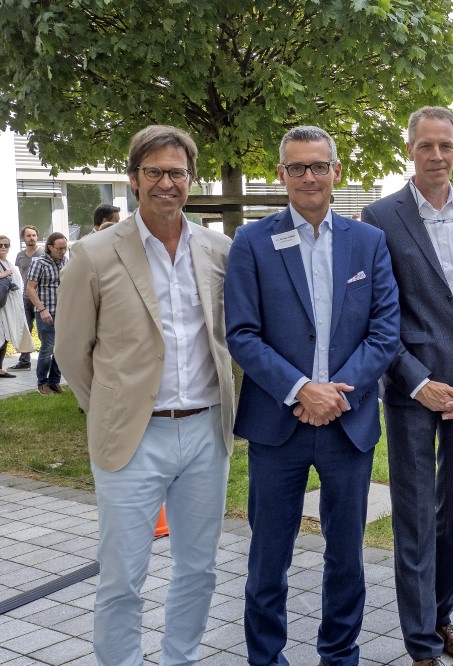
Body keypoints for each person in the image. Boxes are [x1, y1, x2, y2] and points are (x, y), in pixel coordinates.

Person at [55, 124, 236, 666]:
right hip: (132, 437)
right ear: (133, 178)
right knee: (122, 577)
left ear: (191, 178)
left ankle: (180, 658)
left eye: (176, 173)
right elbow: (70, 351)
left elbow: (231, 340)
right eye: (153, 171)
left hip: (206, 432)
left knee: (198, 568)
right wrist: (112, 406)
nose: (165, 183)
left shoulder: (218, 249)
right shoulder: (92, 254)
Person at [226, 125, 400, 666]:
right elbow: (242, 334)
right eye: (296, 167)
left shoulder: (367, 241)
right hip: (278, 425)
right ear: (280, 175)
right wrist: (301, 389)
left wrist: (336, 396)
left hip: (347, 424)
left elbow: (385, 333)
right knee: (267, 557)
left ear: (336, 172)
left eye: (318, 166)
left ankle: (339, 655)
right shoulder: (252, 242)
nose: (308, 176)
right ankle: (265, 658)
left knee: (346, 556)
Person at [362, 106, 453, 666]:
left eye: (446, 145)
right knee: (417, 515)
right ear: (410, 150)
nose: (438, 156)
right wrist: (416, 380)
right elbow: (377, 317)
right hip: (412, 390)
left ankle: (442, 616)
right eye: (426, 146)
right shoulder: (380, 218)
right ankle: (420, 642)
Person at [25, 231, 68, 395]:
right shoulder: (39, 262)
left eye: (65, 248)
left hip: (63, 312)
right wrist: (42, 310)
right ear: (50, 247)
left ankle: (55, 381)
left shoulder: (64, 261)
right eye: (59, 249)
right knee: (48, 348)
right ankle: (42, 383)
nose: (63, 251)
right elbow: (30, 289)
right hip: (46, 312)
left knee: (61, 349)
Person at [0, 235, 34, 377]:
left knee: (5, 335)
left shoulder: (7, 262)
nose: (3, 247)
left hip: (8, 305)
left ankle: (0, 368)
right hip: (2, 306)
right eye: (0, 245)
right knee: (1, 335)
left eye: (6, 245)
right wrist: (3, 276)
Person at [9, 225, 40, 371]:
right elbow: (21, 274)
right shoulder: (20, 256)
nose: (31, 238)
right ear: (23, 238)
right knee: (26, 328)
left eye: (34, 235)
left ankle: (50, 359)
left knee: (43, 330)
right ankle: (24, 361)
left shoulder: (43, 253)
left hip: (41, 298)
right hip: (26, 298)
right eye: (28, 235)